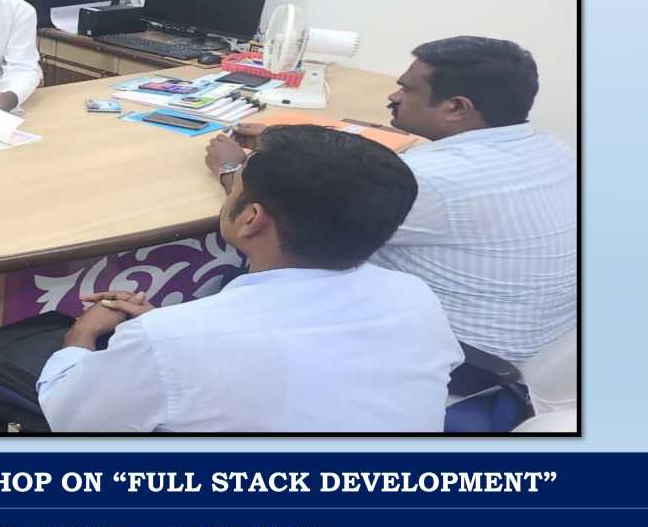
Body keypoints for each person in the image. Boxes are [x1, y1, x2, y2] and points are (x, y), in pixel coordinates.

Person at [37, 126, 461, 432]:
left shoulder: (171, 341)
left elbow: (71, 418)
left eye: (235, 185)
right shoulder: (414, 298)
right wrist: (163, 331)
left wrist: (82, 334)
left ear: (251, 219)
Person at [213, 37, 575, 365]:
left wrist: (232, 168)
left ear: (456, 107)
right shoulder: (557, 151)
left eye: (407, 89)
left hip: (453, 359)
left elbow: (278, 219)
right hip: (539, 350)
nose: (394, 97)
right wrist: (290, 143)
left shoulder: (430, 180)